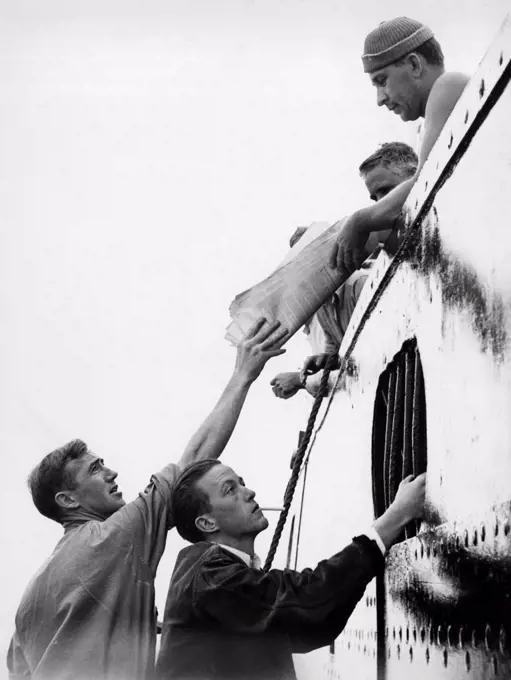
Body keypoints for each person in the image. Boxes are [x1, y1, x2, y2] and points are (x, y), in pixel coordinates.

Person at [6, 318, 288, 680]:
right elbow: (192, 465)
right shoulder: (107, 540)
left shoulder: (30, 600)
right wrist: (242, 375)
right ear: (68, 500)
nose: (111, 474)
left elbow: (22, 670)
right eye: (94, 470)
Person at [156, 459, 426, 680]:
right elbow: (307, 602)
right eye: (230, 489)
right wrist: (396, 517)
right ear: (207, 523)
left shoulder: (208, 571)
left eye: (242, 483)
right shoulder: (211, 577)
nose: (249, 492)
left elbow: (302, 624)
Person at [271, 142, 418, 400]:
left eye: (386, 192)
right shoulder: (323, 307)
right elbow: (343, 356)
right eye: (374, 198)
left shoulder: (362, 286)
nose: (379, 206)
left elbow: (371, 359)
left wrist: (302, 380)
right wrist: (330, 359)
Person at [330, 17, 470, 277]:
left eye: (382, 81)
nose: (380, 99)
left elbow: (423, 186)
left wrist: (360, 221)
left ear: (415, 65)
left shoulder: (447, 87)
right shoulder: (429, 121)